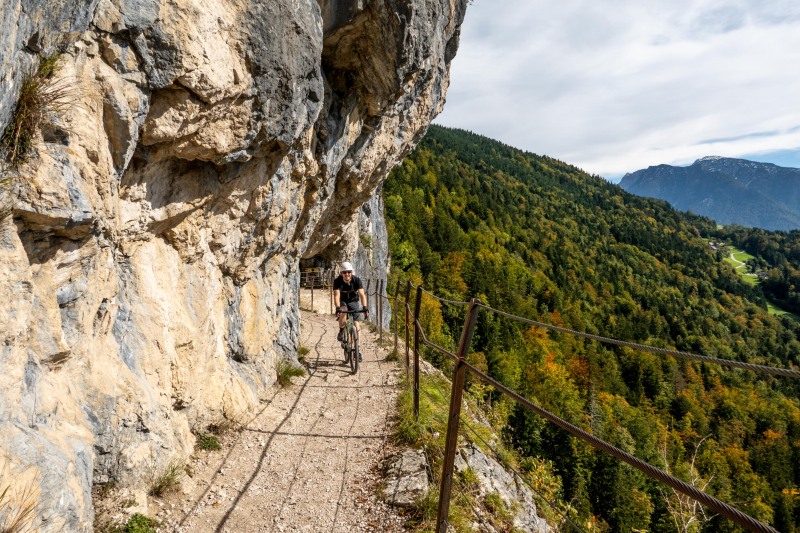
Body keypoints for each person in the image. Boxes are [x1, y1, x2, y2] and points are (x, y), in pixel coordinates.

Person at [333, 262, 369, 353]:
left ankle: (357, 350)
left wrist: (365, 307)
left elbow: (362, 295)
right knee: (343, 310)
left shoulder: (356, 280)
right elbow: (336, 295)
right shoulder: (337, 281)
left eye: (349, 272)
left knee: (357, 324)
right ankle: (341, 330)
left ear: (351, 272)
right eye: (344, 272)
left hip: (353, 301)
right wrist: (338, 308)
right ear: (341, 273)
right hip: (342, 300)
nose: (347, 274)